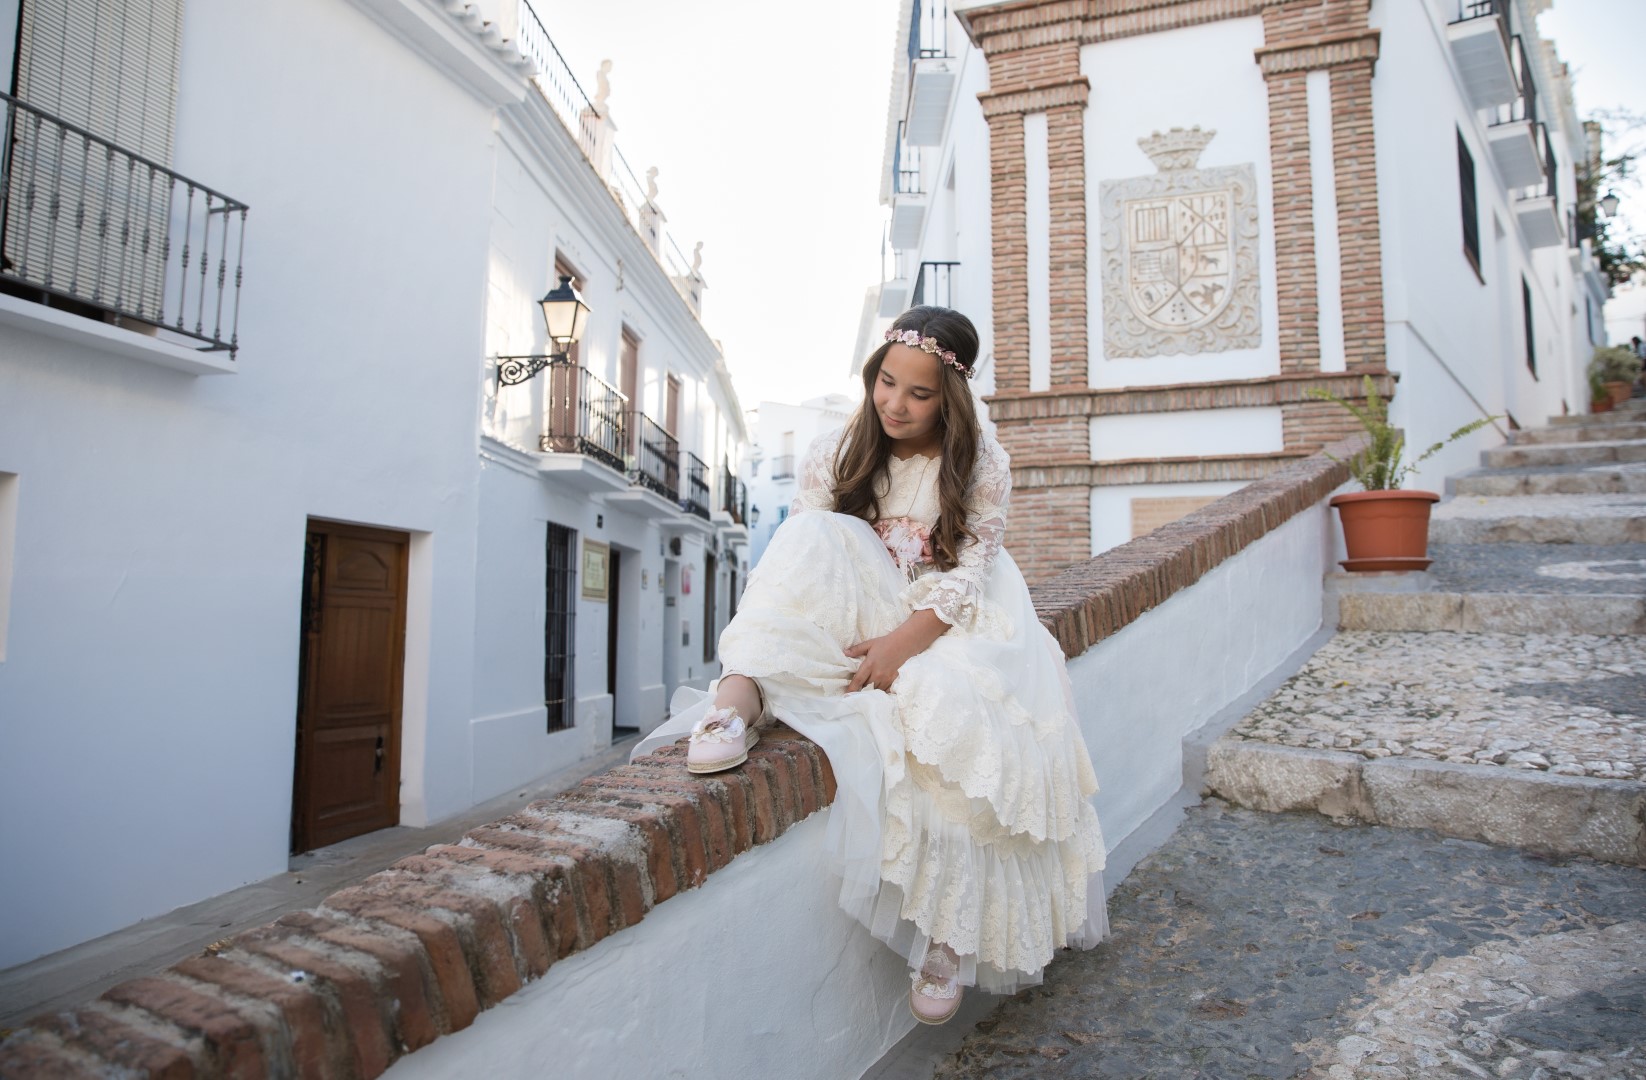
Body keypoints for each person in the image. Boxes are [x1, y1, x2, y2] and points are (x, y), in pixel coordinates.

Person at [633, 306, 1107, 1025]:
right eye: (887, 382)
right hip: (864, 599)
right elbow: (804, 562)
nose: (896, 404)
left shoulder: (980, 462)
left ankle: (948, 935)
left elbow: (971, 569)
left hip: (947, 612)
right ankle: (736, 699)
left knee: (944, 703)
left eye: (919, 394)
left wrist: (901, 645)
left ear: (950, 398)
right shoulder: (837, 449)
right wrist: (869, 634)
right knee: (808, 536)